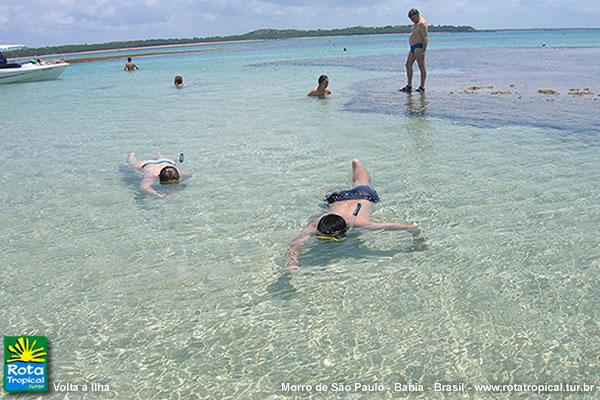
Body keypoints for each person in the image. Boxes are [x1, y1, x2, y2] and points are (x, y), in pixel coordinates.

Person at [286, 160, 421, 269]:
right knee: (360, 182)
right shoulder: (318, 223)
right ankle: (357, 164)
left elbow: (407, 227)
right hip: (344, 198)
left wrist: (418, 238)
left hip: (360, 197)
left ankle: (356, 165)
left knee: (362, 184)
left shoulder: (360, 223)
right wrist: (293, 261)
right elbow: (294, 245)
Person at [400, 8, 428, 93]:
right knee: (408, 65)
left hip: (419, 47)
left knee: (421, 66)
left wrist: (423, 50)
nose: (412, 20)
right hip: (412, 47)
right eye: (410, 19)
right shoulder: (415, 24)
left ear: (417, 15)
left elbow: (425, 38)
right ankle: (409, 85)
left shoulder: (422, 24)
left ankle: (422, 87)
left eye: (412, 18)